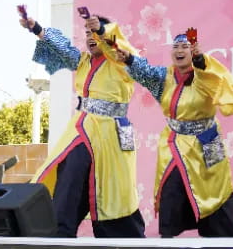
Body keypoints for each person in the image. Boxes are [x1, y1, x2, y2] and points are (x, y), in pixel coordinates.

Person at [22, 15, 145, 238]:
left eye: (95, 33)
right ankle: (59, 232)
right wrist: (36, 28)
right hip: (83, 128)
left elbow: (126, 51)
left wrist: (102, 30)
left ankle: (127, 239)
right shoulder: (83, 61)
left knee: (114, 192)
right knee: (70, 171)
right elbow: (61, 47)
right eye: (87, 33)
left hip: (111, 133)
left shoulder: (121, 61)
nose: (90, 38)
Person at [116, 31, 233, 237]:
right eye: (175, 47)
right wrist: (130, 59)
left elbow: (212, 77)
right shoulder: (164, 77)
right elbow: (145, 71)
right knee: (171, 189)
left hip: (206, 142)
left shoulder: (204, 73)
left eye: (184, 46)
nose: (179, 51)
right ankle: (168, 238)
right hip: (174, 142)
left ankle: (227, 239)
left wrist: (200, 59)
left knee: (216, 194)